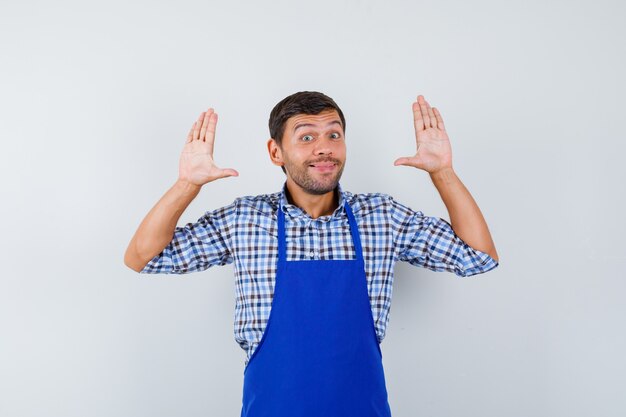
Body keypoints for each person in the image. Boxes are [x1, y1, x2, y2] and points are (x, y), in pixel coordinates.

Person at [124, 91, 499, 417]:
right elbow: (144, 256)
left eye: (334, 135)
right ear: (276, 152)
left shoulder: (382, 217)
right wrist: (187, 184)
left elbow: (478, 255)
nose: (324, 147)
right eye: (306, 137)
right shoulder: (244, 219)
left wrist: (442, 173)